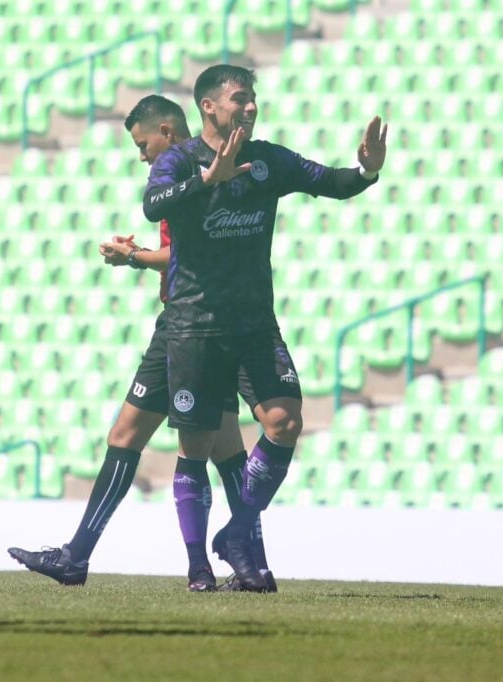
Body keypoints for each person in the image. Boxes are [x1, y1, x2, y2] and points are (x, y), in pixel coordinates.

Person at [8, 95, 274, 593]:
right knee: (223, 446)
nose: (142, 155)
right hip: (202, 322)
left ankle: (79, 556)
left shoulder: (187, 181)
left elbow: (183, 255)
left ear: (168, 132)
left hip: (188, 327)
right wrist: (140, 254)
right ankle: (253, 566)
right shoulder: (189, 176)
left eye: (142, 143)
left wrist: (134, 258)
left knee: (132, 436)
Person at [142, 65, 386, 591]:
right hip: (195, 325)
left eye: (253, 98)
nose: (250, 107)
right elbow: (151, 205)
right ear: (208, 106)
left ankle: (234, 533)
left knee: (284, 422)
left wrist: (365, 172)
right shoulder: (179, 160)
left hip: (254, 324)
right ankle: (198, 567)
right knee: (196, 447)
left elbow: (331, 183)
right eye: (239, 99)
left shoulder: (268, 159)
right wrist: (208, 179)